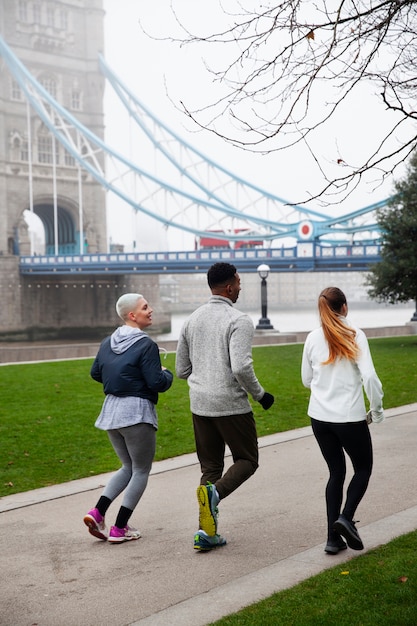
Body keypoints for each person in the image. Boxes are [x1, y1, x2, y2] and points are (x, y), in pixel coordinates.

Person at [176, 262, 275, 551]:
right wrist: (261, 395)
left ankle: (206, 533)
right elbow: (241, 366)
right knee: (247, 460)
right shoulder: (238, 320)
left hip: (200, 404)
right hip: (230, 404)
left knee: (210, 467)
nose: (241, 287)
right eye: (239, 282)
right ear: (229, 286)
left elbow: (182, 370)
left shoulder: (191, 320)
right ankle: (215, 495)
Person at [83, 293, 173, 544]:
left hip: (111, 412)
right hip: (136, 413)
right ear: (132, 315)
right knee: (141, 469)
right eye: (146, 307)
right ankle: (119, 528)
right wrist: (167, 374)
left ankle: (98, 512)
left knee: (127, 467)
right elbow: (157, 382)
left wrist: (121, 379)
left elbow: (96, 373)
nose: (151, 310)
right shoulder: (146, 345)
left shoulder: (106, 342)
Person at [301, 286, 384, 554]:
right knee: (363, 468)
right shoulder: (355, 335)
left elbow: (306, 380)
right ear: (345, 307)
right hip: (348, 417)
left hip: (319, 418)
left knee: (336, 472)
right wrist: (377, 410)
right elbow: (370, 378)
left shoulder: (313, 338)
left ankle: (332, 539)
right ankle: (346, 518)